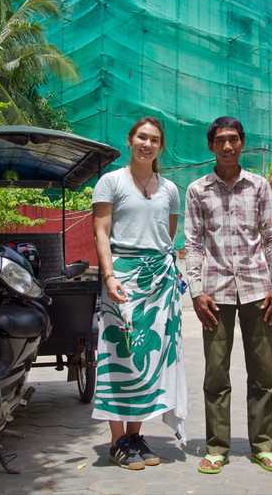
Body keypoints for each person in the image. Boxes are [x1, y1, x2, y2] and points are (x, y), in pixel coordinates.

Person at [184, 116, 272, 474]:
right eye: (220, 140)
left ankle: (263, 444)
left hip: (259, 291)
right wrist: (197, 292)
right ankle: (216, 446)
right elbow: (193, 243)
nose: (228, 146)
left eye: (233, 139)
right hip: (215, 296)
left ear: (242, 143)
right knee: (216, 374)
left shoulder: (258, 186)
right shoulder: (198, 190)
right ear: (211, 146)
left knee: (263, 373)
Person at [92, 117, 187, 471]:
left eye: (155, 140)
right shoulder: (111, 182)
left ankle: (135, 435)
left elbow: (168, 235)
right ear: (130, 140)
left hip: (160, 281)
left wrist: (165, 271)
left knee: (150, 355)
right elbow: (101, 232)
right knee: (119, 355)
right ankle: (117, 440)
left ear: (161, 147)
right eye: (142, 137)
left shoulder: (170, 189)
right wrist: (109, 274)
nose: (147, 144)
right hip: (122, 277)